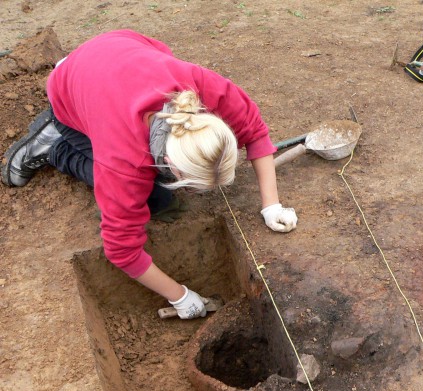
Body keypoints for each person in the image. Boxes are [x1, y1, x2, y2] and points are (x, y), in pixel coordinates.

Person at [1, 29, 298, 319]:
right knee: (157, 199)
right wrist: (180, 296)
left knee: (160, 191)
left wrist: (271, 205)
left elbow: (255, 131)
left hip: (118, 49)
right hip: (68, 95)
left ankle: (76, 80)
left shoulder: (204, 86)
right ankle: (53, 146)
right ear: (167, 160)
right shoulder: (123, 159)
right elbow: (121, 250)